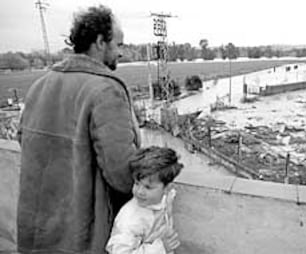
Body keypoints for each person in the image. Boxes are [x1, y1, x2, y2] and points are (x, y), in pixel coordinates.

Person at [17, 5, 140, 253]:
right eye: (119, 44)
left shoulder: (40, 85)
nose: (122, 53)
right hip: (81, 237)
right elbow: (123, 174)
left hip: (38, 231)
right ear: (99, 42)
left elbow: (24, 141)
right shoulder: (106, 90)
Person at [106, 146, 183, 254]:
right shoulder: (131, 219)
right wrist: (161, 249)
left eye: (148, 187)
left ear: (167, 188)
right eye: (137, 183)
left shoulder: (166, 197)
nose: (139, 192)